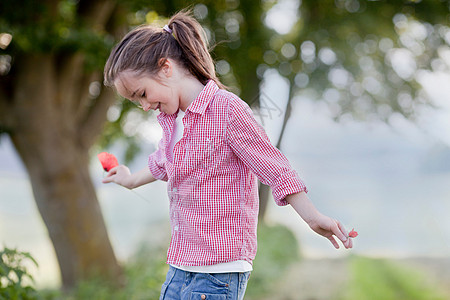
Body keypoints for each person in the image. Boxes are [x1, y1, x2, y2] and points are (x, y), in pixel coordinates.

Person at [102, 9, 353, 300]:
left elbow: (275, 169)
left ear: (166, 67)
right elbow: (163, 165)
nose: (144, 106)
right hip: (180, 267)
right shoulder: (174, 122)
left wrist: (312, 217)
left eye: (142, 94)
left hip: (218, 272)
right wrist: (130, 179)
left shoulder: (226, 110)